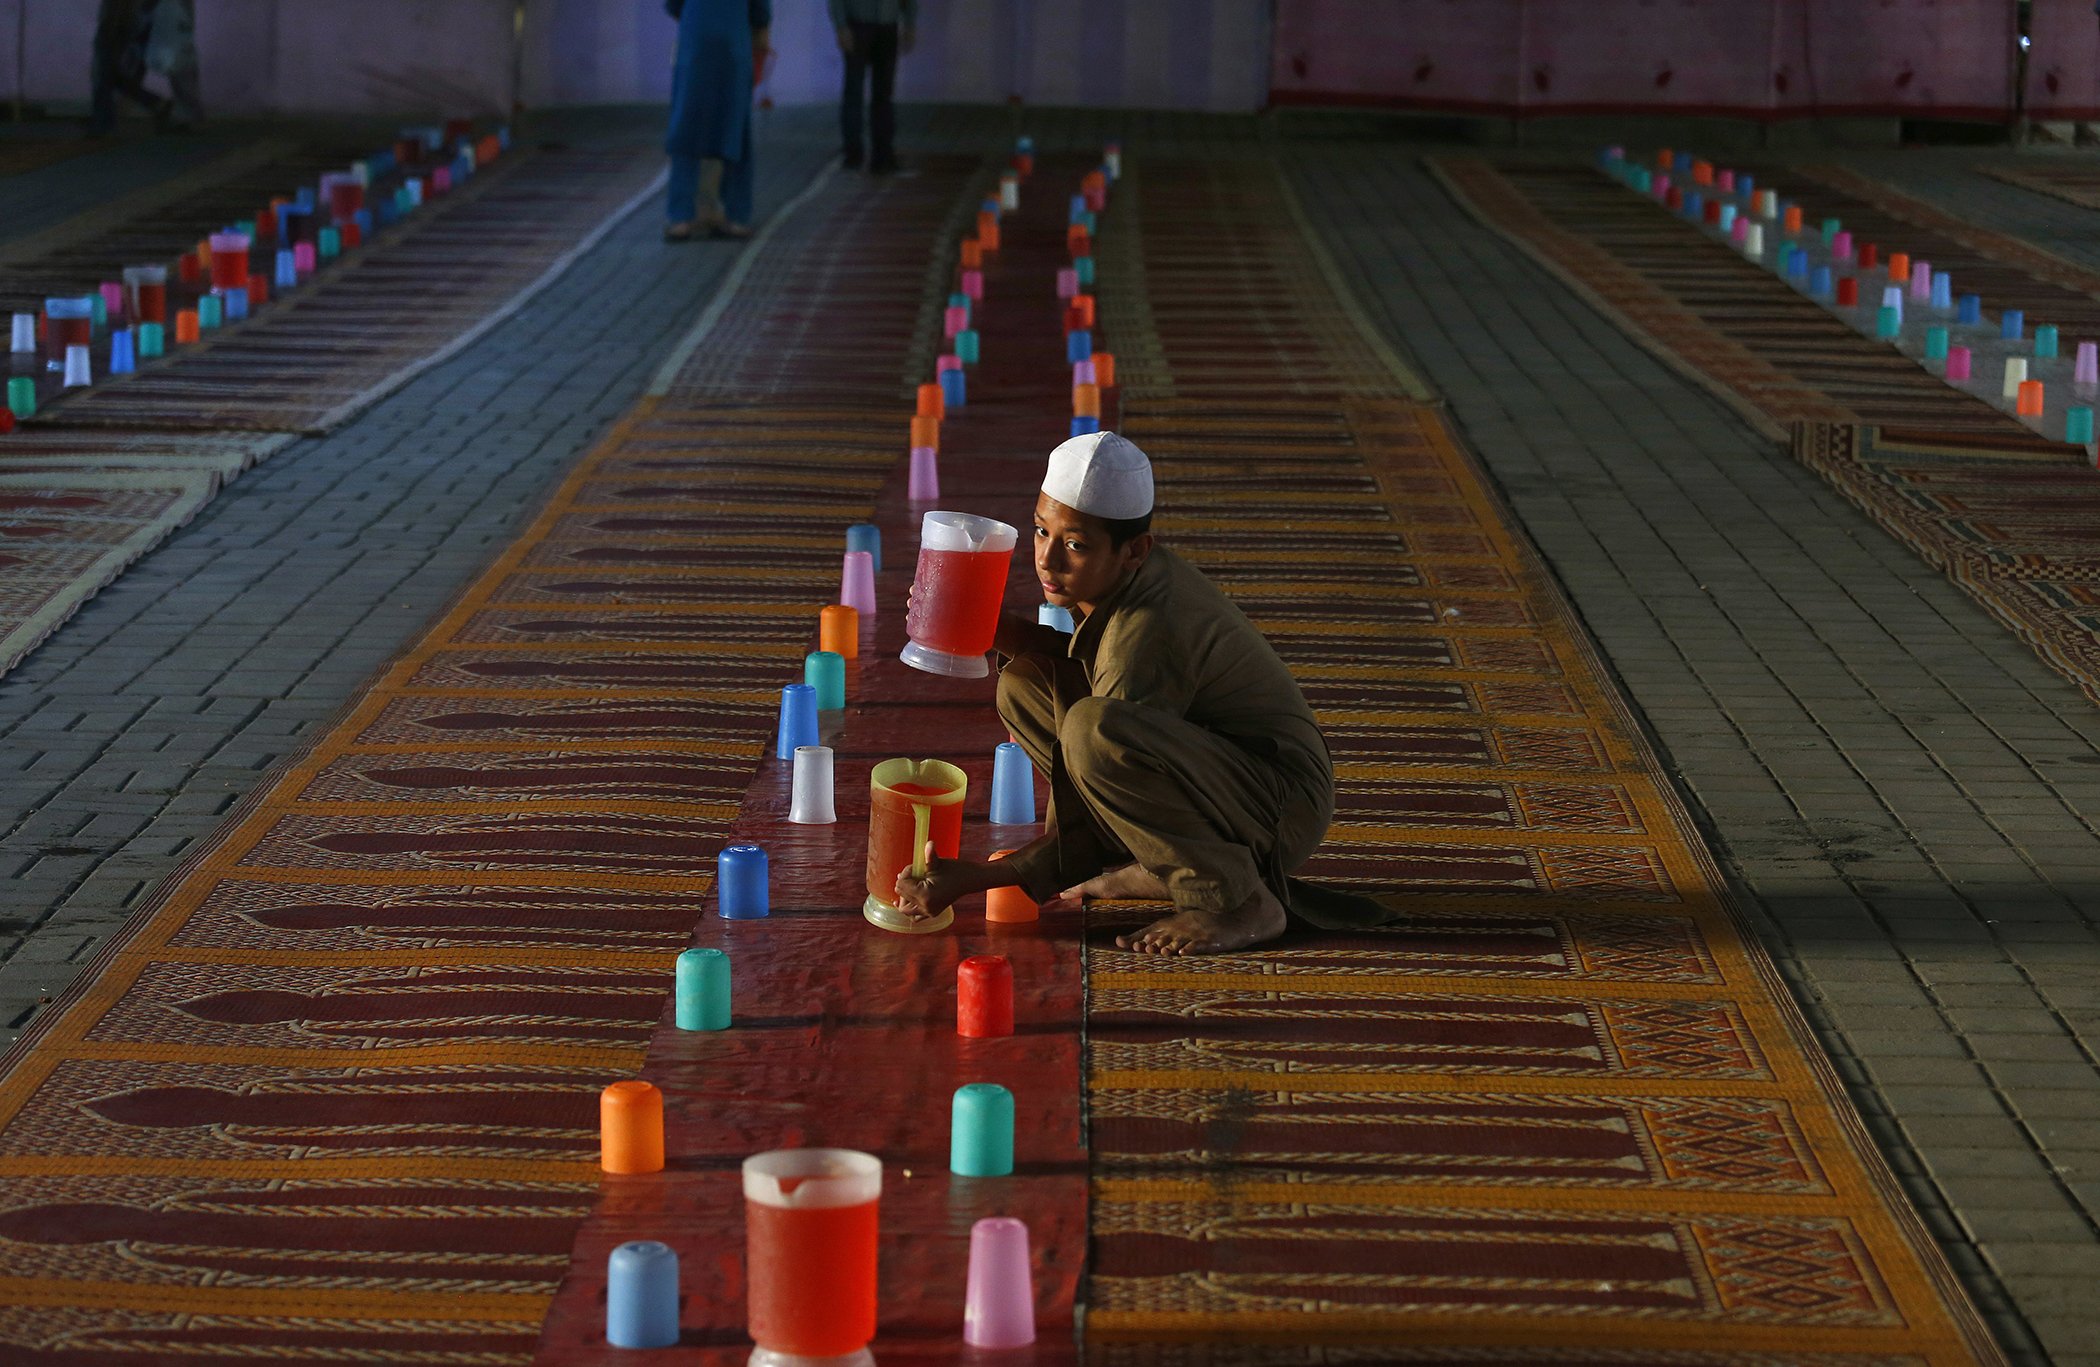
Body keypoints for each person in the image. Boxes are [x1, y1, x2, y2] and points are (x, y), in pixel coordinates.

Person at [892, 432, 1397, 956]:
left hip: (1278, 807)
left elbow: (1103, 762)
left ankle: (1238, 900)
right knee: (1025, 682)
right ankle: (1165, 868)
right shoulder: (1126, 580)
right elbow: (1089, 678)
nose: (1047, 561)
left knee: (1094, 731)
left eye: (1075, 545)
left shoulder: (1150, 629)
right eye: (1042, 531)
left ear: (1133, 550)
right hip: (1220, 773)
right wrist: (999, 630)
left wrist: (982, 878)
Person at [663, 0, 771, 242]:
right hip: (734, 46)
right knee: (734, 130)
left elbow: (672, 5)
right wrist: (760, 30)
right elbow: (760, 11)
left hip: (695, 44)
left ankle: (680, 219)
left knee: (685, 129)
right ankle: (736, 217)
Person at [89, 0, 198, 135]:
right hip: (139, 10)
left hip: (132, 10)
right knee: (114, 64)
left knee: (110, 63)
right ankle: (107, 118)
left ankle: (106, 119)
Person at [830, 0, 914, 173]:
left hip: (887, 26)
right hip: (858, 25)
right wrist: (841, 26)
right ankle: (853, 152)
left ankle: (882, 154)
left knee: (883, 93)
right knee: (854, 91)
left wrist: (910, 23)